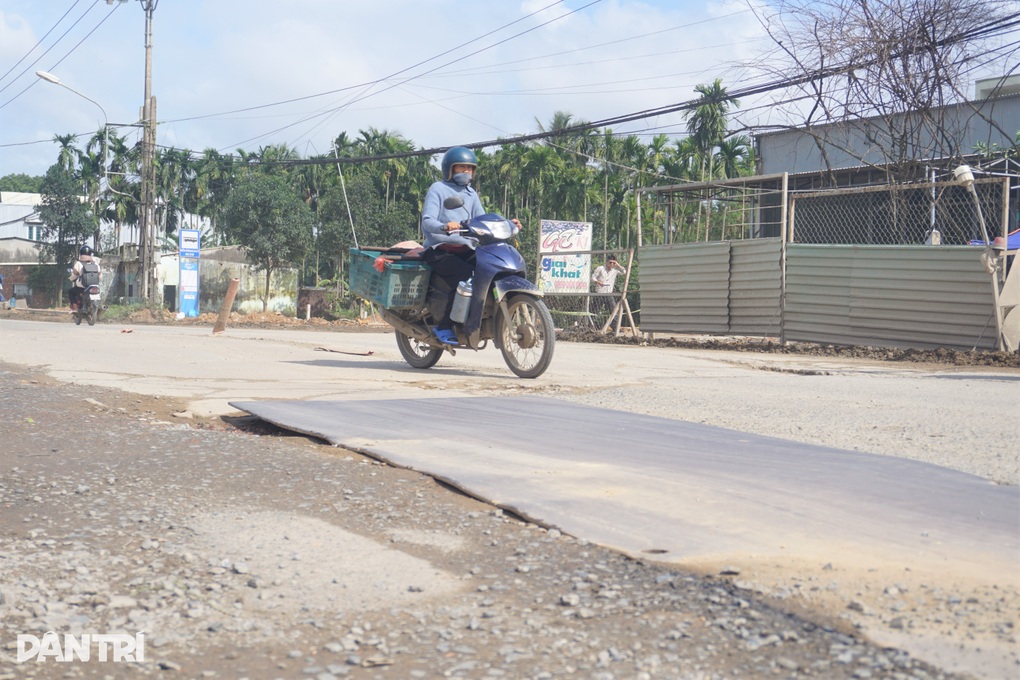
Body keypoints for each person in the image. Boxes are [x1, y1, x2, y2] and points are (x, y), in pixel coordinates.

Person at [420, 146, 520, 345]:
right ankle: (445, 325)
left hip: (466, 248)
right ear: (450, 169)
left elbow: (482, 219)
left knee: (492, 268)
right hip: (440, 249)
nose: (465, 172)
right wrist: (444, 226)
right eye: (461, 167)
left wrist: (508, 223)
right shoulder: (438, 189)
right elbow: (427, 221)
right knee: (464, 275)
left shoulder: (471, 193)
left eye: (469, 168)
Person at [68, 245, 101, 311]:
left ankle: (75, 308)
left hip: (82, 288)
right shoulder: (95, 264)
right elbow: (99, 275)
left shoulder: (78, 263)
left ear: (81, 254)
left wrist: (70, 279)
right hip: (95, 287)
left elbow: (74, 275)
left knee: (70, 292)